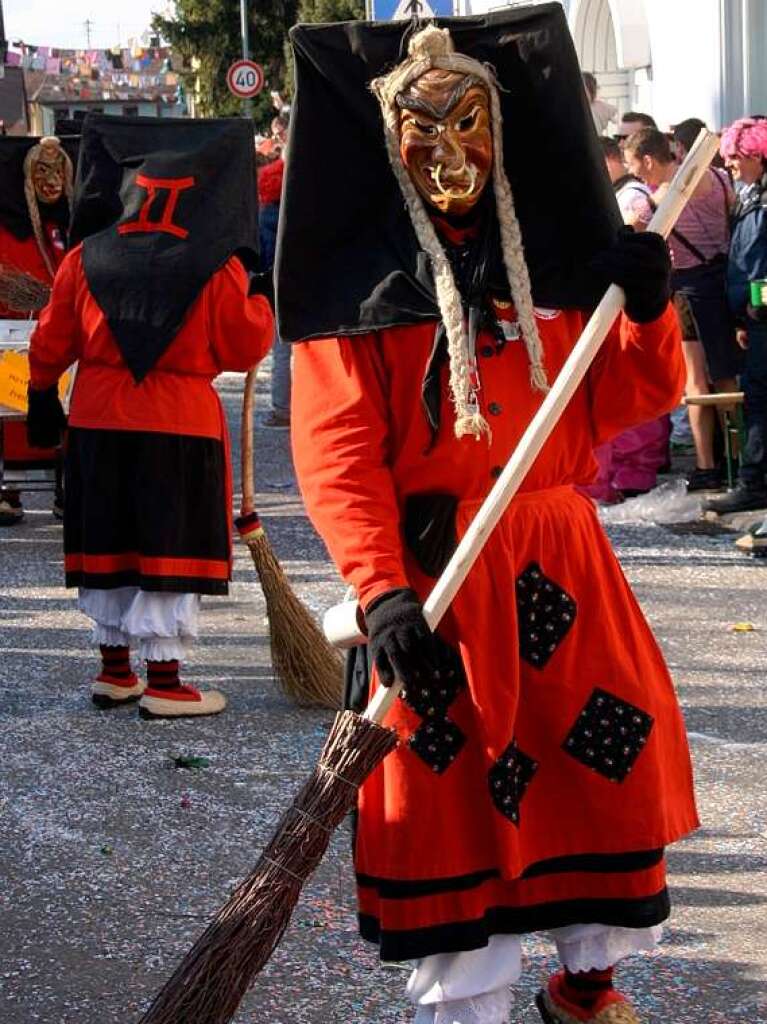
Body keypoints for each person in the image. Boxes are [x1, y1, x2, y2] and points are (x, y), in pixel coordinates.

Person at [286, 19, 697, 1024]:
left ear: (500, 131)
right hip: (438, 580)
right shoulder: (359, 297)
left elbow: (635, 397)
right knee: (452, 803)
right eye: (419, 130)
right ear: (388, 145)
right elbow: (337, 454)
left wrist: (646, 310)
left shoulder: (554, 268)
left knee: (604, 764)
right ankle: (466, 1012)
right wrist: (380, 594)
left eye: (466, 122)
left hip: (561, 563)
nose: (447, 151)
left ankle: (584, 985)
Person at [26, 115, 274, 718]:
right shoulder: (216, 265)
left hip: (97, 419)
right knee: (168, 546)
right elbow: (245, 346)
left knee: (110, 542)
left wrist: (39, 395)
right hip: (178, 423)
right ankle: (165, 682)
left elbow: (50, 341)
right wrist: (262, 299)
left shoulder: (85, 257)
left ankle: (115, 673)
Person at [582, 135, 670, 502]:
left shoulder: (629, 197)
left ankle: (626, 475)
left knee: (626, 395)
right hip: (611, 301)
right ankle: (611, 478)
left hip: (627, 303)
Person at [0, 135, 73, 525]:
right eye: (42, 171)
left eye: (59, 170)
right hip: (13, 341)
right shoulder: (7, 231)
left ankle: (68, 485)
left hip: (61, 339)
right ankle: (7, 488)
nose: (52, 180)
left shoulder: (69, 224)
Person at [703, 118, 767, 513]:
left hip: (762, 316)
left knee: (760, 400)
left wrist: (756, 306)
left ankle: (754, 482)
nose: (729, 166)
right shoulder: (751, 197)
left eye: (736, 158)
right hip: (755, 318)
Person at [257, 140, 291, 429]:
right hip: (306, 283)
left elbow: (263, 253)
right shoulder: (305, 205)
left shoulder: (265, 213)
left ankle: (282, 408)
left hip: (277, 286)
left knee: (281, 352)